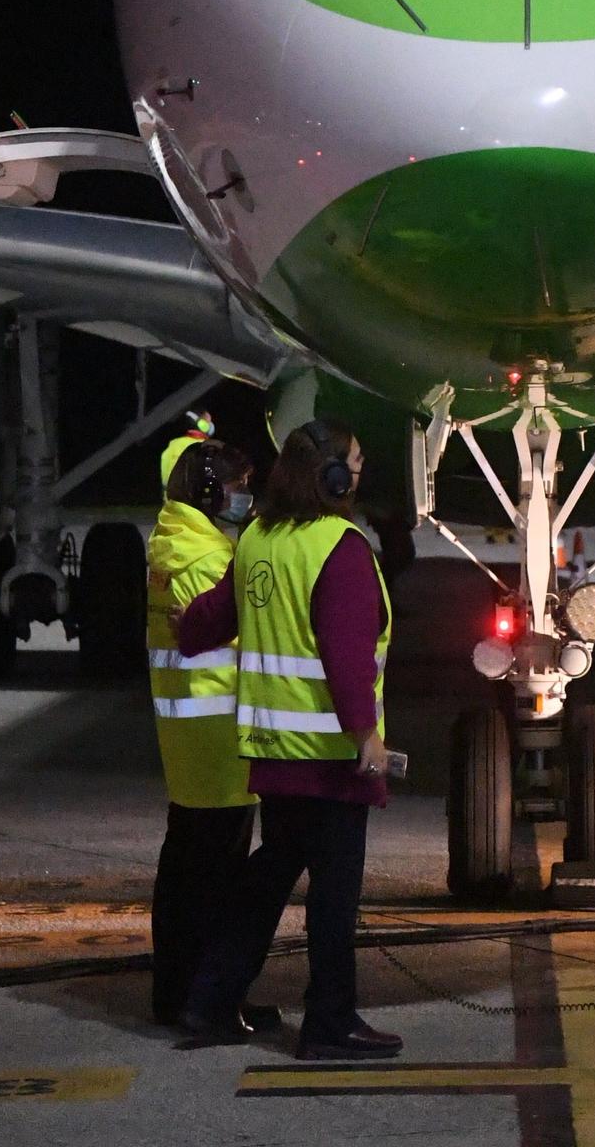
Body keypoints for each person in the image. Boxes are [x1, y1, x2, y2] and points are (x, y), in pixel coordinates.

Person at [174, 420, 402, 1061]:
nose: (360, 472)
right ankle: (330, 1024)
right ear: (333, 479)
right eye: (354, 463)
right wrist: (366, 737)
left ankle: (212, 997)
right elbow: (347, 656)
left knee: (272, 874)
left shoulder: (259, 540)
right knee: (333, 898)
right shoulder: (341, 548)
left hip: (274, 755)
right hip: (331, 758)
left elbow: (212, 621)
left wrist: (183, 626)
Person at [146, 438, 279, 1034]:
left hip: (200, 740)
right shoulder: (202, 557)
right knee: (212, 884)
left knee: (190, 875)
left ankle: (182, 995)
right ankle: (205, 1002)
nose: (245, 497)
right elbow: (249, 628)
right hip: (217, 739)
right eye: (237, 486)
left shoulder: (185, 542)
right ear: (206, 493)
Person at [158, 409, 214, 499]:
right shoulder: (206, 448)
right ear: (202, 425)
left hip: (170, 506)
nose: (211, 425)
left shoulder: (173, 444)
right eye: (208, 422)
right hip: (193, 508)